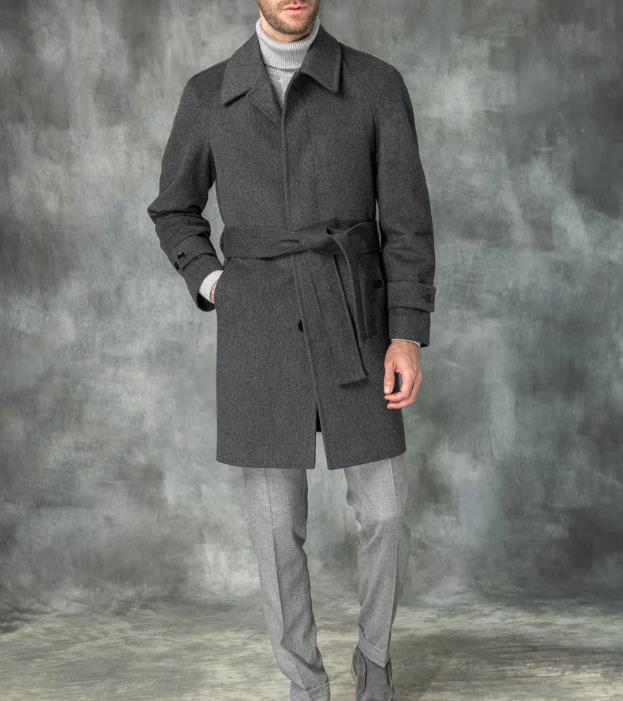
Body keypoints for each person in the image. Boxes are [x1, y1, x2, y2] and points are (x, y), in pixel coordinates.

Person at [147, 1, 436, 699]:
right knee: (276, 531)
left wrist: (405, 331)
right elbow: (174, 209)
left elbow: (405, 222)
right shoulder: (208, 94)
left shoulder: (375, 85)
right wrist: (214, 282)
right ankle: (305, 684)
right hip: (260, 330)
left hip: (355, 317)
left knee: (386, 512)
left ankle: (374, 661)